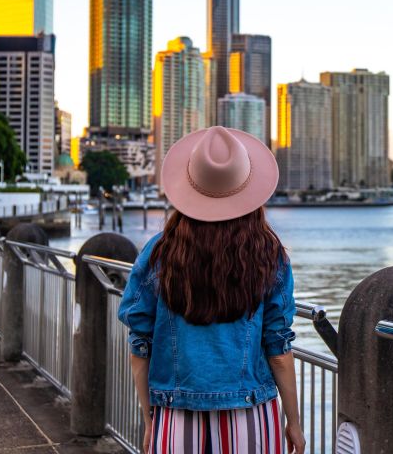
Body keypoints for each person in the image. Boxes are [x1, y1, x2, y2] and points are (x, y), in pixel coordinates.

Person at [119, 126, 305, 453]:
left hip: (175, 416)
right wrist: (295, 422)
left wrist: (150, 420)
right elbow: (278, 348)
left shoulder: (159, 254)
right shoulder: (268, 255)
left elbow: (140, 344)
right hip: (252, 415)